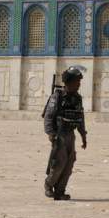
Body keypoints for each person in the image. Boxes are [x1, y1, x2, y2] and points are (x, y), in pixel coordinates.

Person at [43, 66, 87, 201]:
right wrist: (51, 134)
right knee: (59, 163)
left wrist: (83, 136)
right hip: (60, 134)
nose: (79, 85)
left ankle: (60, 191)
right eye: (76, 82)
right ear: (69, 82)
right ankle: (49, 184)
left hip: (70, 135)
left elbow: (80, 118)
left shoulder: (77, 98)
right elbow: (48, 117)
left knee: (69, 164)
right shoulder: (57, 97)